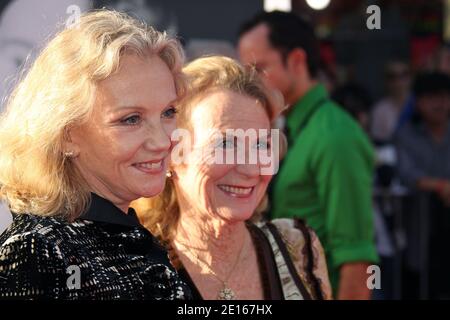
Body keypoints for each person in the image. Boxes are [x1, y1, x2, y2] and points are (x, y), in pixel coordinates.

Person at [0, 10, 191, 300]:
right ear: (66, 135)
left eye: (168, 112)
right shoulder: (38, 252)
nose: (164, 140)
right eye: (131, 119)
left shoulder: (122, 233)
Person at [133, 56, 332, 300]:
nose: (251, 169)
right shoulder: (135, 268)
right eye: (226, 143)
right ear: (173, 153)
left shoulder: (299, 250)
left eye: (261, 145)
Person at [238, 11, 378, 299]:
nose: (250, 83)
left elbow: (356, 258)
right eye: (246, 72)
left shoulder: (335, 135)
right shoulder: (292, 127)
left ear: (297, 61)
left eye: (259, 68)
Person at [395, 72, 450, 299]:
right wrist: (441, 186)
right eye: (432, 97)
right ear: (418, 102)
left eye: (445, 97)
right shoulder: (406, 134)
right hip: (420, 228)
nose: (440, 104)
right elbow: (406, 173)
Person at [370, 61, 412, 142]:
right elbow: (379, 142)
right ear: (386, 81)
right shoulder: (379, 109)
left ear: (410, 77)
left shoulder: (420, 104)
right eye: (392, 77)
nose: (398, 81)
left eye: (403, 75)